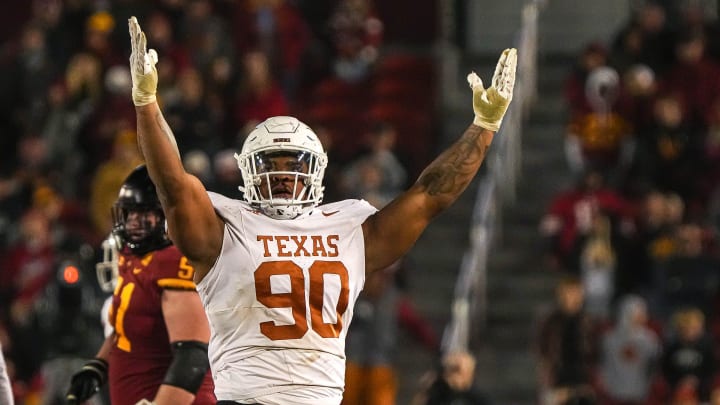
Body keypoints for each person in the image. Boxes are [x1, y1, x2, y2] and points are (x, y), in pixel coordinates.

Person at [127, 15, 516, 405]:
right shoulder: (224, 225)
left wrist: (483, 126)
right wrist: (147, 104)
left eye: (292, 163)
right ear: (247, 170)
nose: (282, 174)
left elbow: (431, 196)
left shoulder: (349, 228)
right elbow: (172, 184)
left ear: (315, 169)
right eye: (270, 164)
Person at [64, 165, 215, 405]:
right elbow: (127, 327)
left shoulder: (174, 260)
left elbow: (193, 356)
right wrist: (100, 364)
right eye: (130, 213)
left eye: (144, 214)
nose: (134, 222)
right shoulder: (135, 255)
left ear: (169, 215)